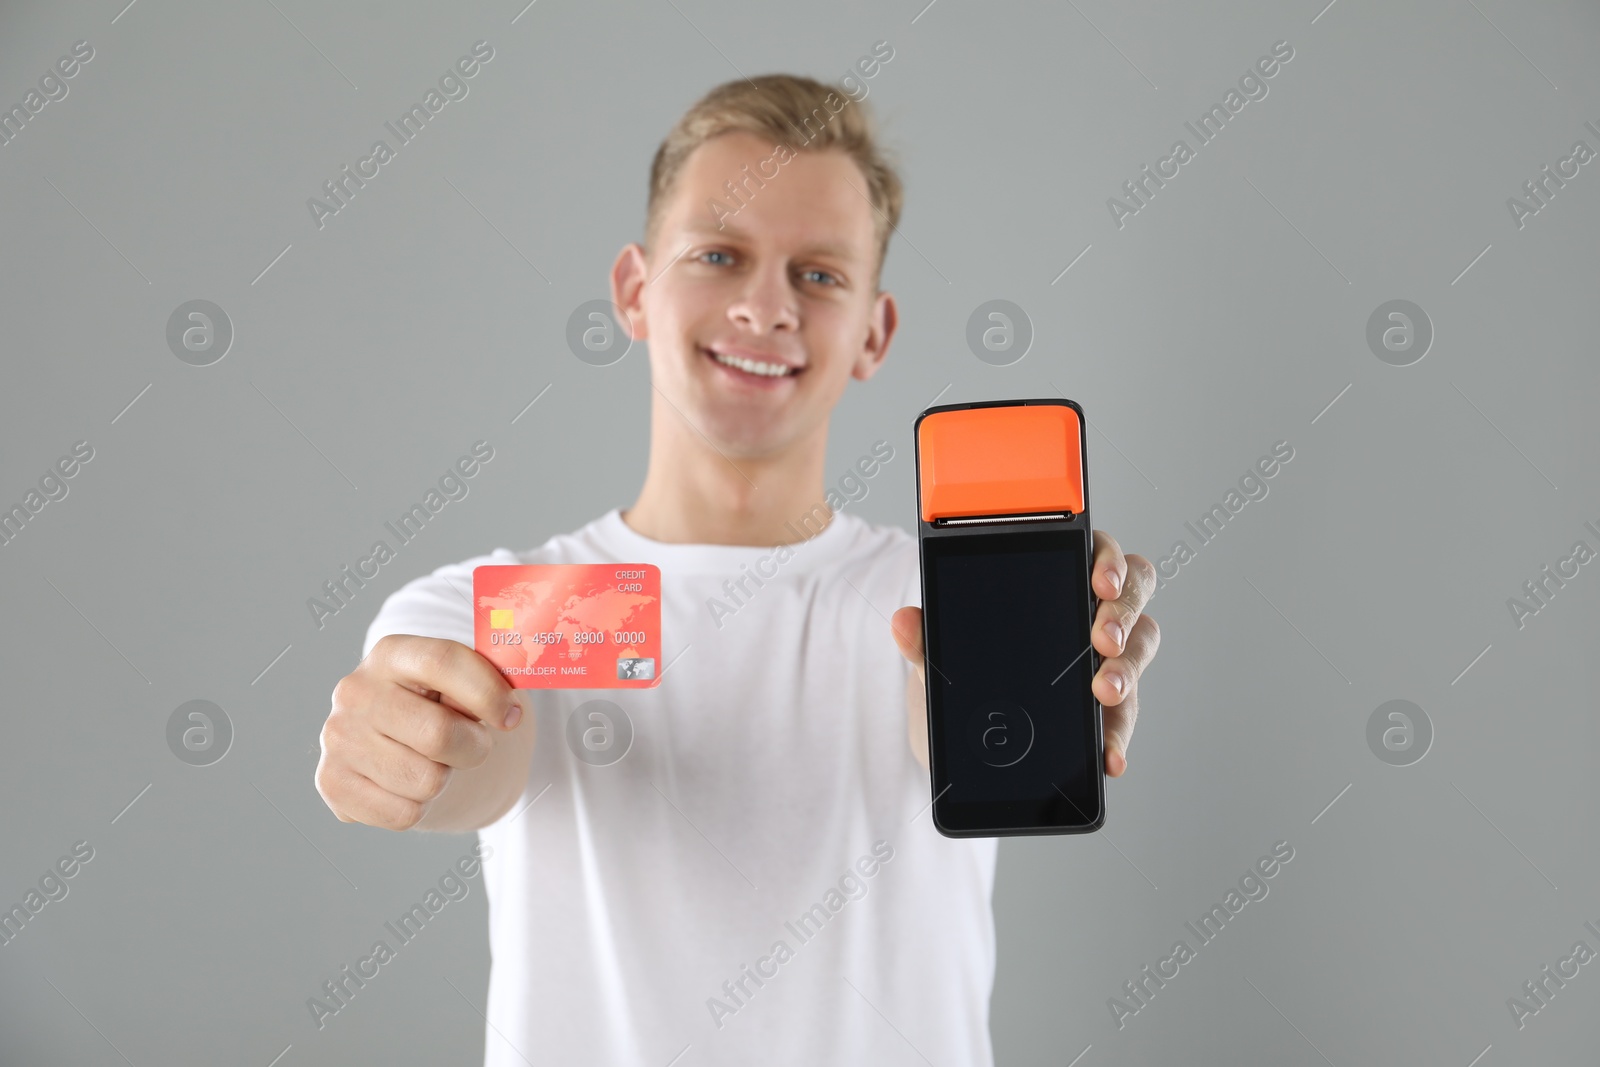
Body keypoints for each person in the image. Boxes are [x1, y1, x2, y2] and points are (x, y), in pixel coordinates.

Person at [315, 72, 1161, 1066]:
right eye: (719, 255)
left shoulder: (933, 600)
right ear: (635, 289)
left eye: (819, 274)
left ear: (873, 334)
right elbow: (478, 752)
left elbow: (968, 743)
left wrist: (1056, 677)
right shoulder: (512, 605)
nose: (765, 307)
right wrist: (405, 749)